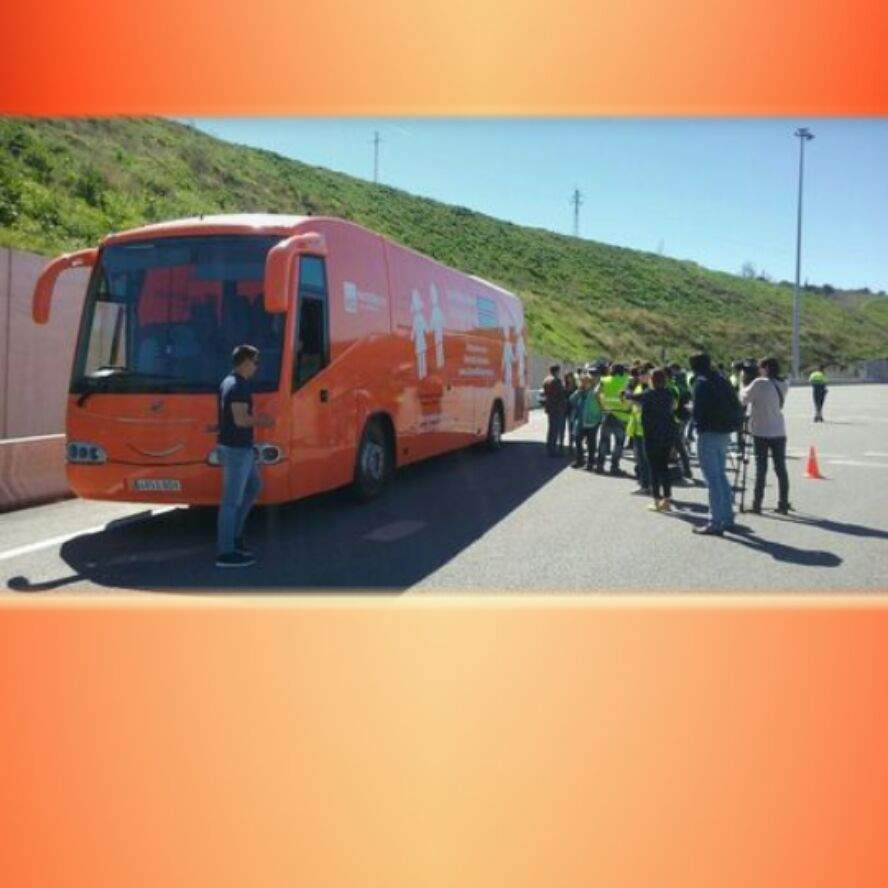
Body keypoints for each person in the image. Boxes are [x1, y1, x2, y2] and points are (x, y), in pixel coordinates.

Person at [216, 344, 274, 568]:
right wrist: (263, 421)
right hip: (236, 449)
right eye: (256, 362)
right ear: (246, 362)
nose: (257, 367)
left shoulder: (228, 382)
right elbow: (241, 420)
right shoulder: (237, 386)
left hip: (240, 448)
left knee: (254, 487)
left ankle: (235, 537)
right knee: (231, 501)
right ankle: (226, 552)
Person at [689, 353, 742, 536]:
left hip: (708, 432)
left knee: (712, 478)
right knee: (720, 475)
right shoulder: (721, 379)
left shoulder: (701, 383)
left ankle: (716, 520)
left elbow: (698, 412)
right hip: (724, 432)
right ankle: (727, 516)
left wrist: (690, 410)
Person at [741, 356, 791, 515]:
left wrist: (744, 383)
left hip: (761, 432)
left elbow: (743, 400)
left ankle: (757, 504)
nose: (758, 370)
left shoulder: (759, 383)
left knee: (761, 469)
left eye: (760, 367)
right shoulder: (783, 383)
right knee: (781, 469)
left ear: (766, 368)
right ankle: (783, 503)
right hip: (778, 431)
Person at [625, 368, 679, 511]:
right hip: (667, 435)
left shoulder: (649, 394)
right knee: (664, 468)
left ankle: (656, 500)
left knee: (654, 469)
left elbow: (631, 396)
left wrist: (627, 389)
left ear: (652, 380)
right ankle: (667, 499)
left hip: (652, 436)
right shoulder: (668, 393)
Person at [596, 362, 631, 475]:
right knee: (619, 443)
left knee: (604, 441)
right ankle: (614, 467)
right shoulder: (627, 380)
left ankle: (600, 465)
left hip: (607, 414)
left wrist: (602, 406)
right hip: (622, 415)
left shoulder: (604, 380)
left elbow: (596, 393)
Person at [623, 367, 651, 494]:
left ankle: (647, 485)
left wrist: (630, 396)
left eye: (644, 374)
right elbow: (631, 401)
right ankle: (644, 484)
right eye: (641, 375)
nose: (641, 377)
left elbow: (636, 398)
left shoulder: (649, 389)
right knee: (640, 460)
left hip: (647, 430)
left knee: (646, 460)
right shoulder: (639, 387)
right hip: (637, 428)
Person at [576, 370, 604, 470]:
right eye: (582, 381)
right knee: (578, 439)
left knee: (591, 443)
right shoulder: (581, 392)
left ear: (590, 382)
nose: (583, 383)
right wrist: (578, 392)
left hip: (593, 420)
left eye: (585, 381)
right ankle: (580, 460)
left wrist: (601, 417)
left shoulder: (596, 391)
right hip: (582, 421)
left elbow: (602, 405)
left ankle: (590, 463)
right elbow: (571, 400)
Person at [542, 365, 568, 456]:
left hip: (549, 406)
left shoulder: (546, 380)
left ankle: (549, 448)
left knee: (551, 429)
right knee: (555, 430)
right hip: (557, 408)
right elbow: (561, 395)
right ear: (557, 371)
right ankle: (552, 451)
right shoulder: (556, 381)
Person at [563, 371, 579, 451]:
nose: (570, 379)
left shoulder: (576, 388)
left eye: (571, 377)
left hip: (573, 410)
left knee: (572, 428)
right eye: (568, 377)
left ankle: (571, 445)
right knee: (562, 428)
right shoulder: (564, 387)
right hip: (565, 410)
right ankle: (562, 445)